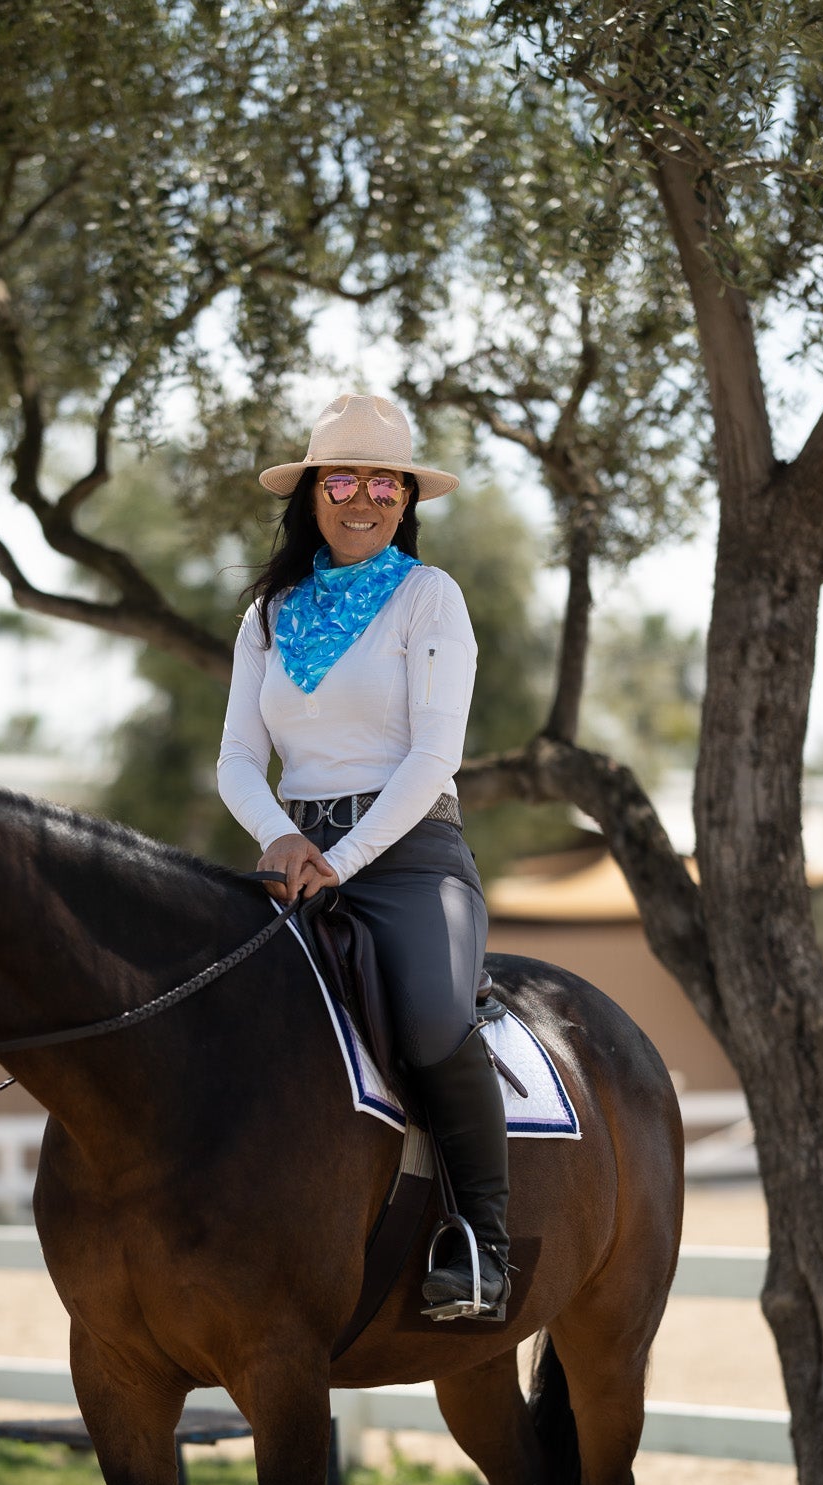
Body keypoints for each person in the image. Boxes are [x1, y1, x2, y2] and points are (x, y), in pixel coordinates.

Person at [216, 392, 511, 1318]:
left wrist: (342, 859)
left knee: (430, 1023)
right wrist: (279, 835)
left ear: (404, 498)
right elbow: (233, 760)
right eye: (340, 478)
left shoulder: (430, 596)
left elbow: (433, 758)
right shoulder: (268, 613)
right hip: (292, 850)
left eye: (383, 480)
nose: (362, 496)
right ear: (309, 494)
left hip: (409, 854)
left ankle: (482, 1248)